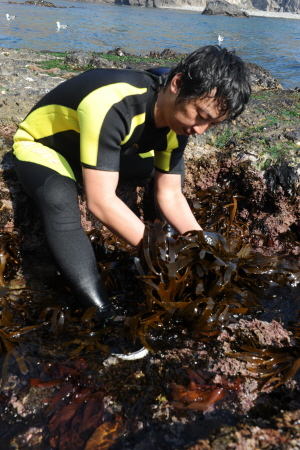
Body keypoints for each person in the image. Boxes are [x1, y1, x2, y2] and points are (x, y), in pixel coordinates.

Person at [13, 45, 251, 321]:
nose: (200, 130)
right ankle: (100, 312)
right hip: (48, 148)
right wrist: (161, 254)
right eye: (200, 115)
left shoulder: (178, 118)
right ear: (177, 83)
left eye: (212, 124)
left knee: (162, 169)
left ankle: (163, 236)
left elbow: (170, 194)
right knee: (57, 198)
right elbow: (100, 202)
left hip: (99, 151)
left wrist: (201, 246)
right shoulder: (112, 103)